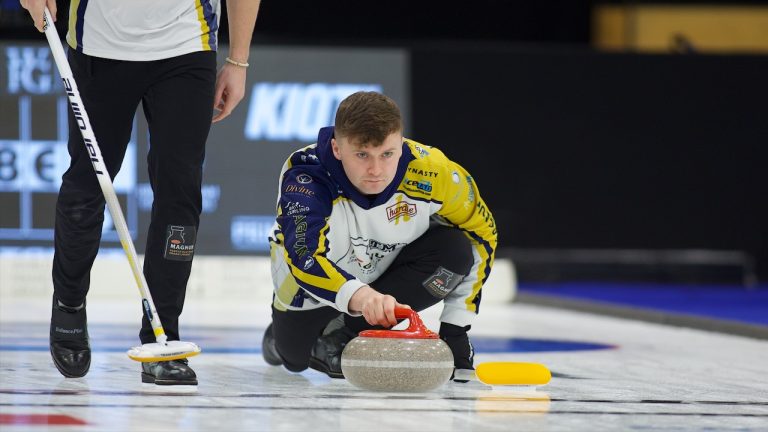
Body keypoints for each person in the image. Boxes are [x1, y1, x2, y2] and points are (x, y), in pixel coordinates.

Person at [20, 0, 260, 385]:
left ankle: (163, 332)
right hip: (98, 43)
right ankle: (69, 302)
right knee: (87, 186)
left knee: (180, 193)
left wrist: (239, 60)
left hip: (187, 42)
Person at [262, 91, 497, 381]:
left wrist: (456, 328)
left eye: (387, 154)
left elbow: (482, 234)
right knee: (295, 359)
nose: (376, 170)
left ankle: (348, 330)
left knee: (456, 250)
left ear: (401, 143)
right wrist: (360, 296)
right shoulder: (306, 175)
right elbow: (304, 258)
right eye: (362, 155)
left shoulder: (434, 173)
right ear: (337, 148)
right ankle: (279, 339)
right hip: (310, 292)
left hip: (383, 280)